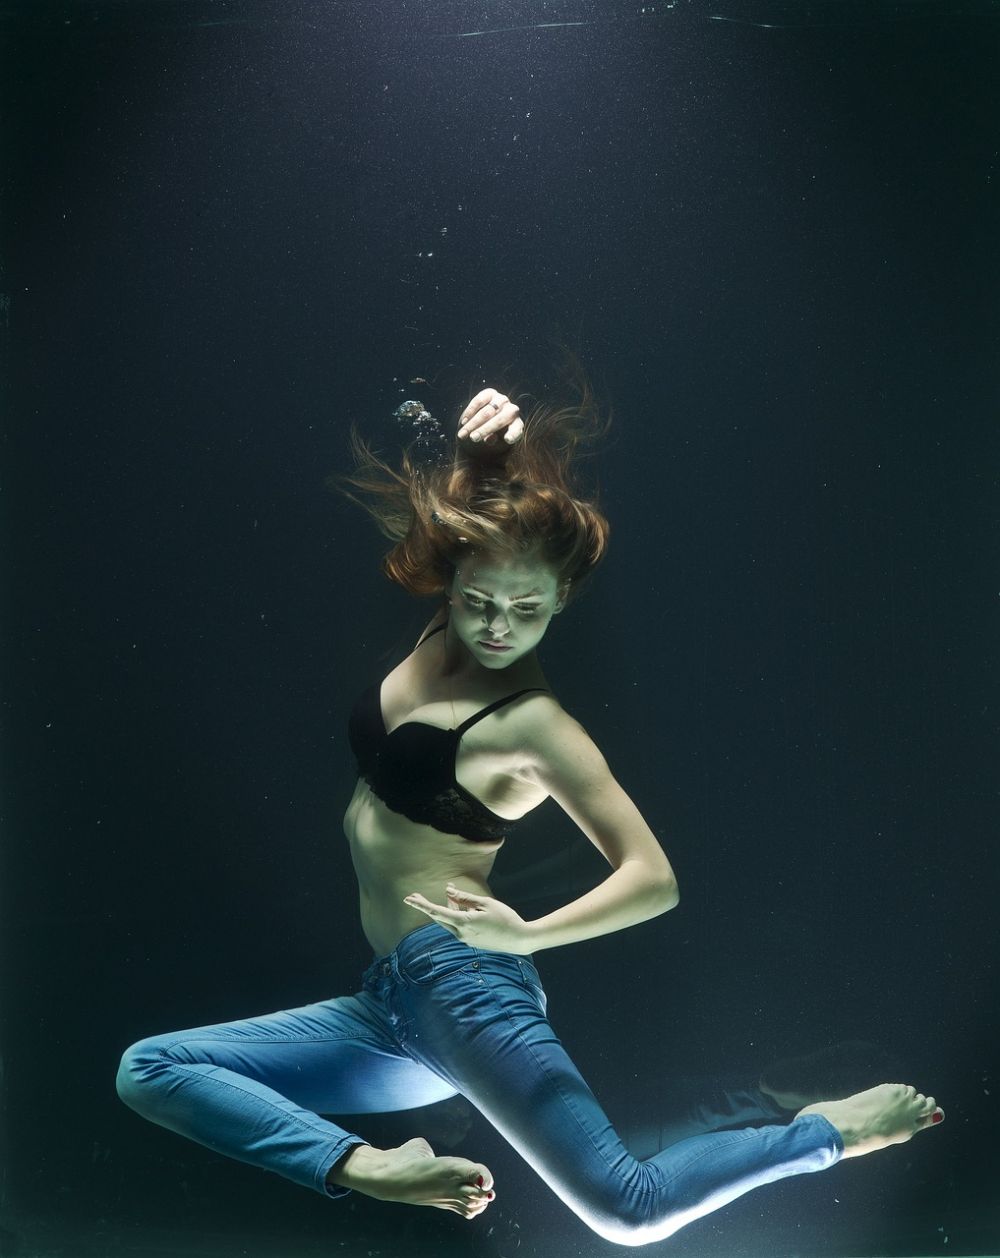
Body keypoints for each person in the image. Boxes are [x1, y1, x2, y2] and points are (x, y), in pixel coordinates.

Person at [116, 386, 944, 1246]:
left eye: (528, 611)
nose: (498, 627)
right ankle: (363, 1165)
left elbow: (654, 879)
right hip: (393, 1005)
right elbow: (486, 525)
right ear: (453, 580)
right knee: (152, 1069)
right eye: (480, 601)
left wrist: (528, 934)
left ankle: (830, 1131)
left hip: (464, 985)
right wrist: (488, 454)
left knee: (629, 1209)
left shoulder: (537, 727)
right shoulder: (447, 627)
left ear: (561, 601)